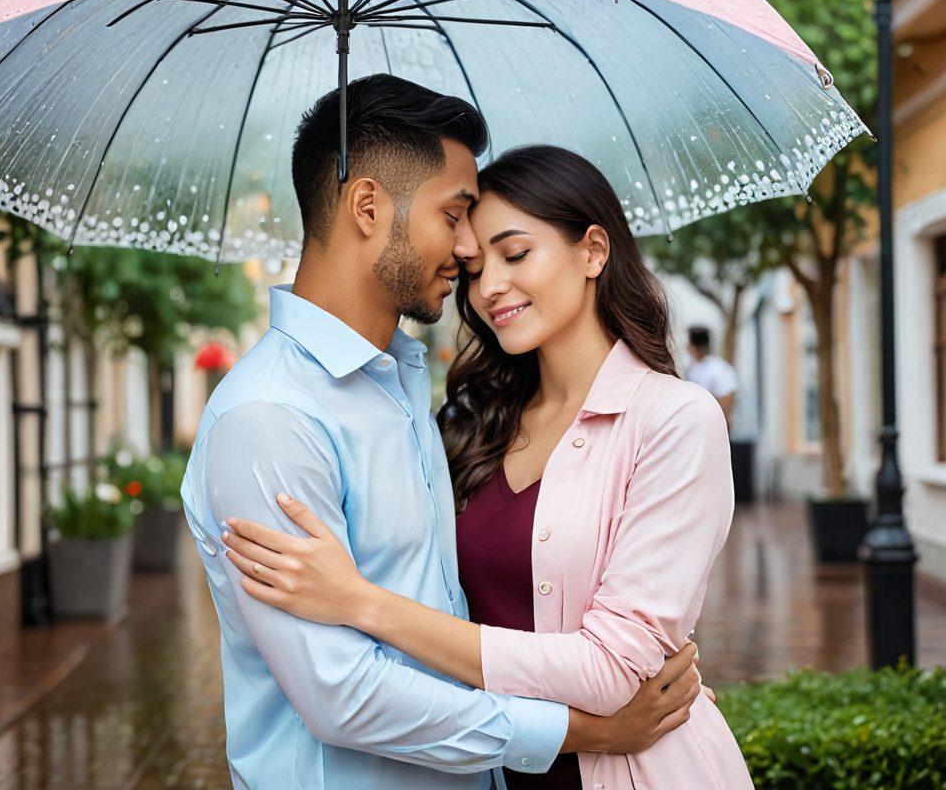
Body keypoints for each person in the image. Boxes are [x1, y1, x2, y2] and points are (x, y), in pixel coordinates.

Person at [180, 76, 706, 790]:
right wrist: (582, 733)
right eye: (456, 216)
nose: (468, 255)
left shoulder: (404, 387)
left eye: (504, 248)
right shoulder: (270, 416)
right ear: (369, 207)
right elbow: (343, 697)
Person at [685, 326, 738, 428]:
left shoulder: (718, 369)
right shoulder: (693, 368)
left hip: (717, 429)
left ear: (693, 347)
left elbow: (726, 401)